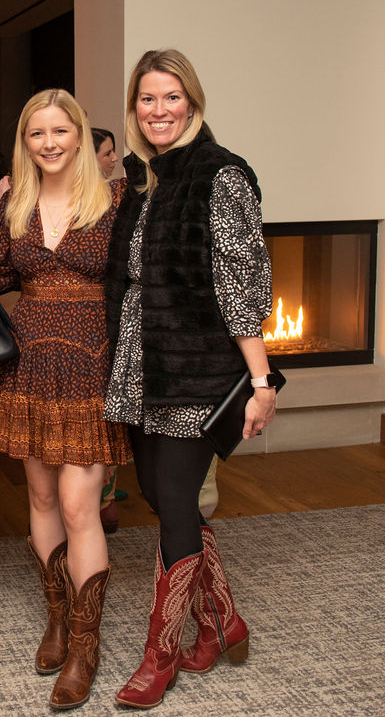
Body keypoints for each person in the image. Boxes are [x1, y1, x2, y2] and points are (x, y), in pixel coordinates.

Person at [104, 49, 275, 710]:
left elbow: (242, 288)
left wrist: (262, 382)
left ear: (193, 102)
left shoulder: (219, 174)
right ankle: (222, 620)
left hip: (197, 367)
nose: (159, 110)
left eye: (171, 97)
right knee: (155, 490)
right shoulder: (142, 178)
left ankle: (161, 654)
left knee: (175, 497)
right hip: (142, 362)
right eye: (147, 98)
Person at [0, 89, 130, 708]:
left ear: (80, 135)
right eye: (36, 133)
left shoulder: (116, 200)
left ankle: (86, 645)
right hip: (31, 363)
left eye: (59, 131)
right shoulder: (13, 202)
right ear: (26, 141)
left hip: (90, 365)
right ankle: (59, 619)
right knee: (41, 497)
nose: (49, 143)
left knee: (77, 504)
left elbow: (140, 279)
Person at [90, 126, 126, 533]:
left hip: (105, 325)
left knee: (105, 418)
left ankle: (105, 499)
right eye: (106, 153)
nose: (113, 159)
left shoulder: (118, 198)